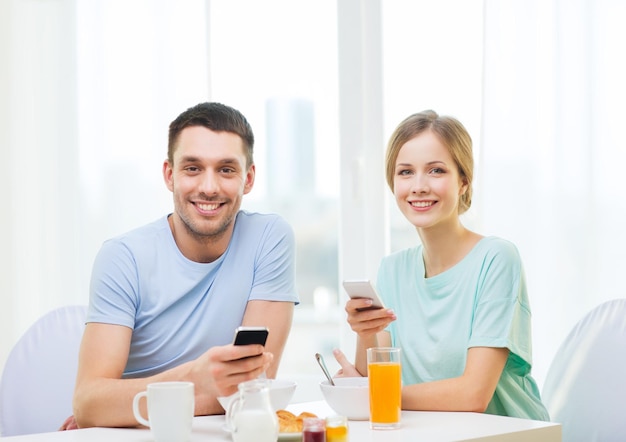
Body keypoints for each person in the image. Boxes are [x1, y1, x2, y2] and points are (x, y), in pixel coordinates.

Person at [69, 102, 298, 429]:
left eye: (226, 169)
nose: (208, 187)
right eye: (192, 168)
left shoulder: (269, 238)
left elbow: (252, 389)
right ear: (169, 175)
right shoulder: (122, 257)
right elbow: (89, 404)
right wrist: (196, 379)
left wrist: (124, 406)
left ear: (248, 179)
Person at [333, 110, 549, 421]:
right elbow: (371, 380)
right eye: (405, 172)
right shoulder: (392, 270)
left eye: (435, 170)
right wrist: (365, 333)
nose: (418, 186)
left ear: (463, 181)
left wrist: (373, 394)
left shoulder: (497, 258)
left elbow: (473, 394)